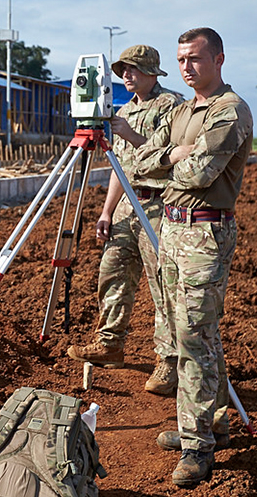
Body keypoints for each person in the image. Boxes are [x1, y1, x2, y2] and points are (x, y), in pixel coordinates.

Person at [133, 27, 253, 488]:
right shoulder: (184, 110)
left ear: (219, 59)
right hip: (173, 226)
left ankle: (198, 444)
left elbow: (201, 172)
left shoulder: (230, 109)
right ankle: (211, 421)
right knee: (194, 332)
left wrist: (168, 160)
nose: (186, 67)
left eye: (196, 59)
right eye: (182, 59)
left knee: (193, 337)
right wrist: (172, 154)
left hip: (205, 230)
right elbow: (138, 163)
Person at [66, 44, 183, 397]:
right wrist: (106, 210)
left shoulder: (171, 107)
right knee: (112, 273)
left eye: (132, 69)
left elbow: (171, 156)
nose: (126, 76)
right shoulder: (122, 109)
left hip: (157, 204)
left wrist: (130, 133)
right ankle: (110, 343)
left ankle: (170, 361)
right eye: (122, 71)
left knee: (164, 284)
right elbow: (122, 165)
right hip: (126, 208)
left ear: (151, 72)